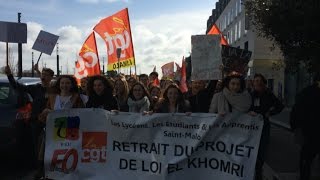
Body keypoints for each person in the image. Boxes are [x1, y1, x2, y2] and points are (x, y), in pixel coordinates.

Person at [5, 64, 54, 172]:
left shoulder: (54, 90)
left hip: (52, 123)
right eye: (43, 74)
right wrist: (9, 75)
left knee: (51, 146)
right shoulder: (36, 88)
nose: (44, 77)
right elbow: (18, 86)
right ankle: (39, 169)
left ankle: (52, 168)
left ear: (51, 77)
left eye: (46, 75)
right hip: (36, 122)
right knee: (37, 146)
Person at [248, 73, 284, 180]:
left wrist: (270, 113)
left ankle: (258, 172)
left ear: (264, 83)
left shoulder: (269, 94)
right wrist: (249, 112)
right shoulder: (250, 95)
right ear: (253, 83)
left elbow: (280, 106)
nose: (257, 82)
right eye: (255, 81)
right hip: (251, 126)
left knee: (262, 150)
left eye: (260, 81)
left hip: (264, 125)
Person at [290, 73, 320, 180]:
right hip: (311, 131)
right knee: (307, 157)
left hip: (309, 132)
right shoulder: (307, 93)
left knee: (306, 159)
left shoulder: (305, 92)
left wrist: (295, 127)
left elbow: (295, 111)